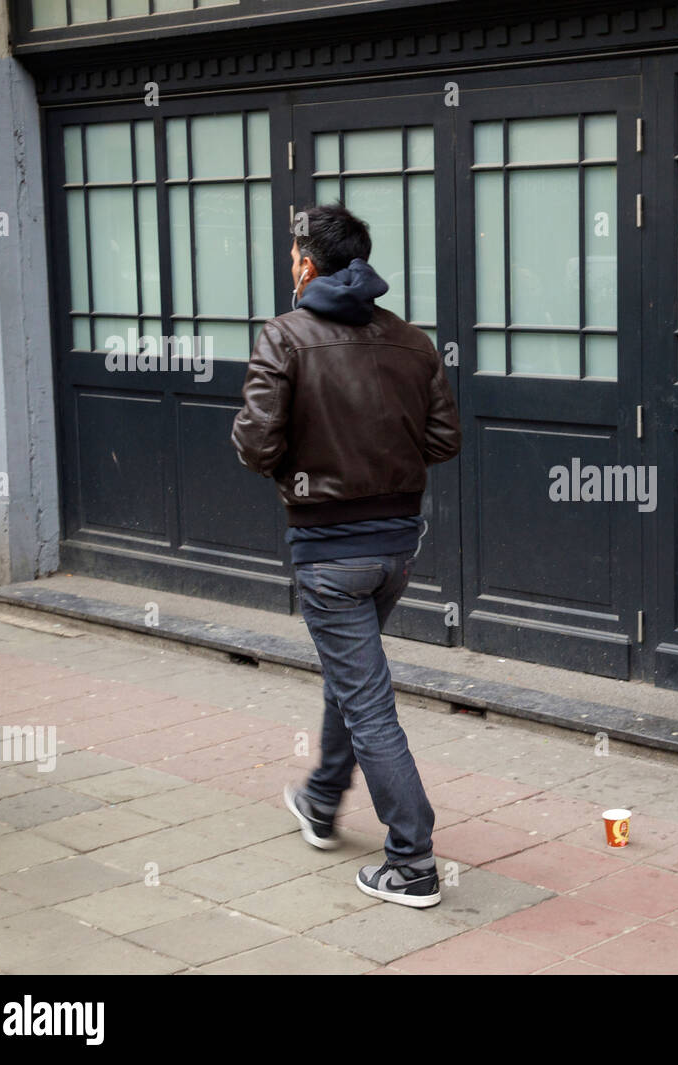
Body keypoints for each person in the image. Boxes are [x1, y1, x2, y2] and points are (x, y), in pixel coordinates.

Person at [231, 203, 460, 908]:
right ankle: (323, 799)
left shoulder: (285, 337)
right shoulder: (413, 342)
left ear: (306, 263)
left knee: (367, 700)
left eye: (292, 254)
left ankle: (413, 857)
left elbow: (254, 445)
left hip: (328, 551)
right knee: (351, 675)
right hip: (395, 548)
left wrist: (307, 467)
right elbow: (443, 439)